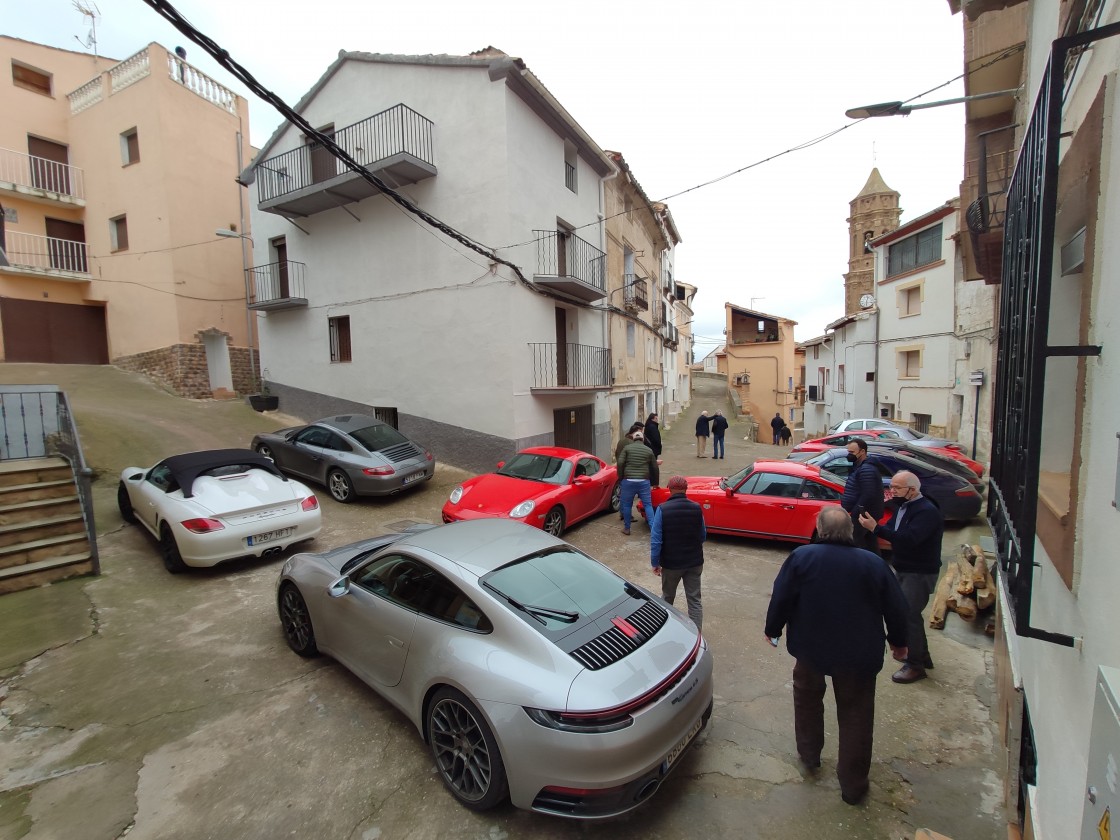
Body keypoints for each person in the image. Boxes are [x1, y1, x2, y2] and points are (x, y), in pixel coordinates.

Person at [764, 507, 909, 806]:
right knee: (856, 716)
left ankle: (809, 755)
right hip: (858, 655)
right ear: (851, 532)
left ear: (819, 528)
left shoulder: (802, 558)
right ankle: (853, 787)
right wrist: (899, 644)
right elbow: (896, 607)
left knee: (806, 701)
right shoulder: (873, 563)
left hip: (810, 650)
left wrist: (773, 629)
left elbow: (782, 596)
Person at [858, 471, 944, 684]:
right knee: (910, 615)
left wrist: (876, 529)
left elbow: (909, 539)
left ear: (912, 490)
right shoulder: (905, 507)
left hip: (919, 573)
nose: (892, 492)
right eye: (892, 487)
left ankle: (916, 666)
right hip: (905, 569)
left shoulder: (926, 512)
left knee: (908, 617)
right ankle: (922, 656)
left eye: (897, 488)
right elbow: (892, 529)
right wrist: (876, 526)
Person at [650, 475, 707, 629]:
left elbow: (656, 540)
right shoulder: (696, 508)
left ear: (669, 489)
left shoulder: (663, 509)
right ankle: (697, 635)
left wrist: (655, 562)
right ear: (686, 490)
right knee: (694, 600)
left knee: (667, 598)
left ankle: (665, 629)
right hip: (695, 563)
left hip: (671, 564)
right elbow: (703, 535)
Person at [840, 439, 884, 556]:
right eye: (848, 451)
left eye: (852, 452)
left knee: (854, 543)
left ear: (862, 451)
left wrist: (856, 512)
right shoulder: (860, 467)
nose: (849, 455)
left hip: (863, 515)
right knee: (870, 544)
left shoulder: (867, 469)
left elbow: (868, 494)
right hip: (864, 514)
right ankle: (875, 567)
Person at [616, 429, 656, 536]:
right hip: (644, 481)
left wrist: (621, 477)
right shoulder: (648, 450)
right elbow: (654, 467)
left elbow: (620, 462)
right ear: (642, 439)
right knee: (648, 505)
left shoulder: (627, 448)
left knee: (627, 505)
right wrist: (654, 482)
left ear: (633, 439)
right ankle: (653, 529)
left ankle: (627, 528)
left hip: (628, 481)